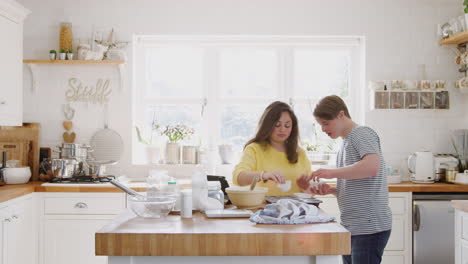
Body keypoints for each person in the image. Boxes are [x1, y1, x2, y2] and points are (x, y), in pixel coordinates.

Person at [296, 95, 392, 264]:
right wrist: (334, 190)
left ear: (341, 115)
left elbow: (372, 167)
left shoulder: (361, 133)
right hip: (354, 227)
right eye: (321, 125)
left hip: (369, 226)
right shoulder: (345, 143)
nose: (324, 129)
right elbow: (358, 182)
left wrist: (332, 173)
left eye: (326, 123)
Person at [232, 101, 311, 196]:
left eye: (287, 125)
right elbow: (238, 178)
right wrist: (263, 175)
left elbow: (310, 192)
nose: (282, 129)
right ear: (268, 125)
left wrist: (307, 187)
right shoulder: (255, 149)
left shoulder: (299, 153)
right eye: (277, 125)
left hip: (297, 209)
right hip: (265, 208)